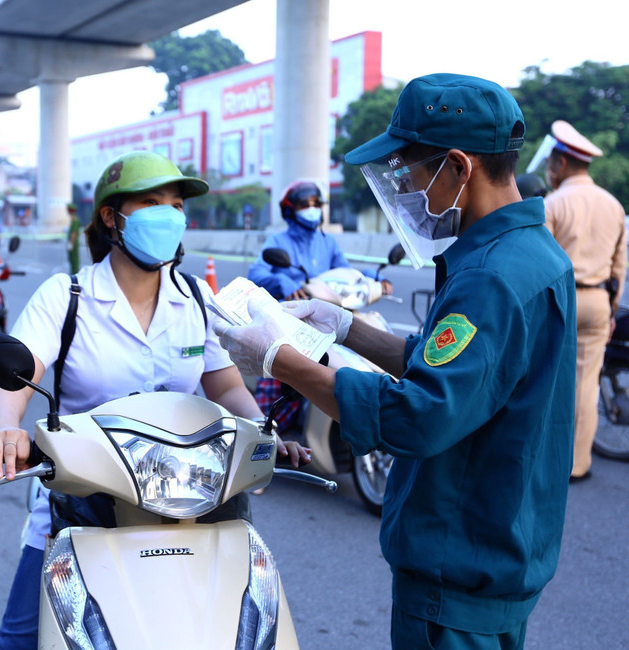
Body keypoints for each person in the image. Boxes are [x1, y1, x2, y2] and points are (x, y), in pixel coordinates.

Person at [213, 74, 576, 649]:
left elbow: (419, 416)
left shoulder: (489, 278)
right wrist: (347, 326)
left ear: (459, 168)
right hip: (499, 543)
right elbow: (463, 376)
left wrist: (280, 359)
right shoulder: (528, 253)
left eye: (407, 168)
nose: (402, 185)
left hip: (456, 567)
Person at [0, 150, 309, 650]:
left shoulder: (196, 298)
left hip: (186, 492)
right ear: (112, 218)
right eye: (151, 202)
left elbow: (224, 386)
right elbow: (16, 377)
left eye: (176, 204)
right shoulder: (66, 296)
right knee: (22, 639)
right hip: (84, 493)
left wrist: (265, 429)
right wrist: (5, 427)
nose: (170, 215)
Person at [247, 179, 391, 431]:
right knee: (277, 367)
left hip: (326, 319)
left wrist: (373, 278)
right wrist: (283, 281)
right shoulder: (278, 242)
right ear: (290, 209)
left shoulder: (327, 242)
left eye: (316, 204)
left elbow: (344, 271)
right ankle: (266, 427)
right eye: (305, 204)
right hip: (292, 320)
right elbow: (257, 273)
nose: (312, 209)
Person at [542, 120, 627, 482]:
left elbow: (540, 265)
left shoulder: (552, 204)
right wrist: (609, 312)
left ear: (560, 164)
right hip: (597, 302)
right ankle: (578, 463)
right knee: (585, 383)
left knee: (545, 380)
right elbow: (618, 267)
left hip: (561, 300)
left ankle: (543, 458)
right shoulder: (614, 206)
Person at [65, 202, 81, 273]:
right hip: (73, 243)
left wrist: (70, 243)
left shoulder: (75, 220)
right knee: (72, 260)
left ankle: (75, 274)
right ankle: (73, 273)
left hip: (73, 243)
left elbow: (73, 233)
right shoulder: (73, 219)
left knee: (74, 260)